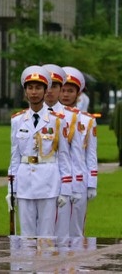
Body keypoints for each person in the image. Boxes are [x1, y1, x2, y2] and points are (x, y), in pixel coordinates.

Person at [7, 65, 72, 237]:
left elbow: (64, 157)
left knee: (46, 235)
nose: (33, 92)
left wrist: (65, 190)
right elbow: (14, 156)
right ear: (25, 92)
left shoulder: (57, 121)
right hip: (24, 183)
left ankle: (45, 264)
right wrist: (10, 189)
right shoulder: (17, 120)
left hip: (48, 183)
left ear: (45, 91)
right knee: (26, 235)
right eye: (30, 88)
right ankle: (28, 265)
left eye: (38, 88)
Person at [59, 67, 98, 237]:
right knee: (56, 229)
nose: (66, 95)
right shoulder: (52, 118)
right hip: (57, 179)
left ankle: (76, 264)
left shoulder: (87, 121)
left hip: (80, 179)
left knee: (76, 229)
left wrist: (92, 184)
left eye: (71, 91)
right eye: (63, 90)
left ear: (78, 94)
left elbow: (91, 154)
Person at [41, 63, 74, 238]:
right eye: (47, 86)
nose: (50, 91)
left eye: (54, 86)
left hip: (62, 180)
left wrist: (69, 186)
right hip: (36, 180)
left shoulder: (72, 118)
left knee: (62, 233)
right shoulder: (28, 117)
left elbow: (72, 156)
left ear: (61, 89)